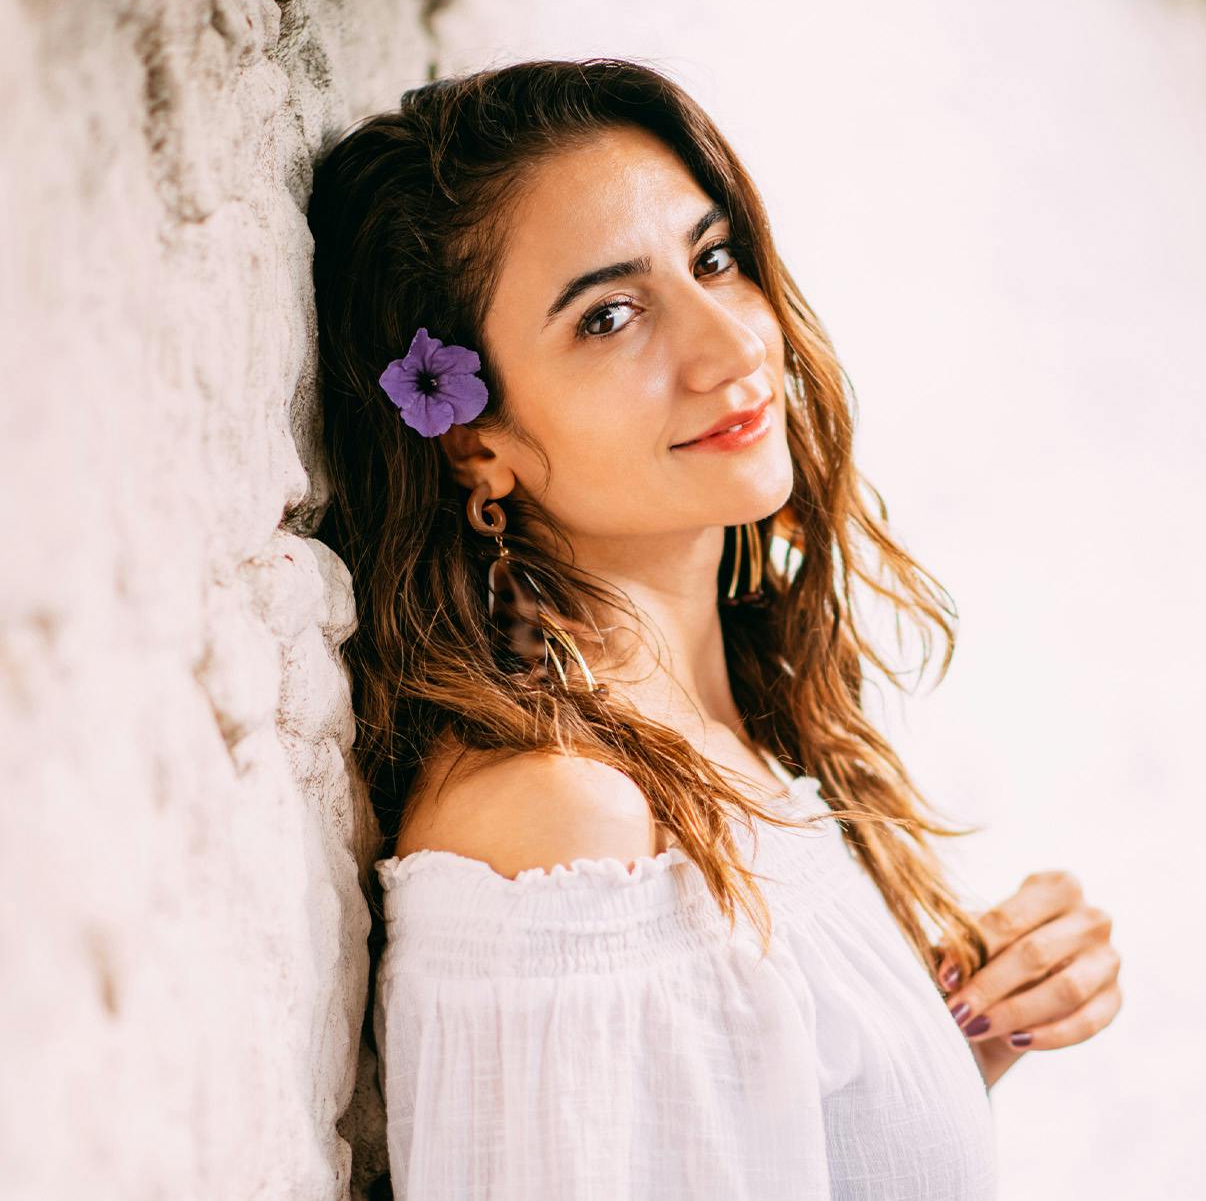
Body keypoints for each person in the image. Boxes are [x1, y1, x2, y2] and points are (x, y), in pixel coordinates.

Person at [307, 58, 1122, 1200]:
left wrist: (956, 1044)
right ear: (470, 437)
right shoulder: (560, 829)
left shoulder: (737, 748)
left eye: (714, 259)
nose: (731, 345)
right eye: (609, 315)